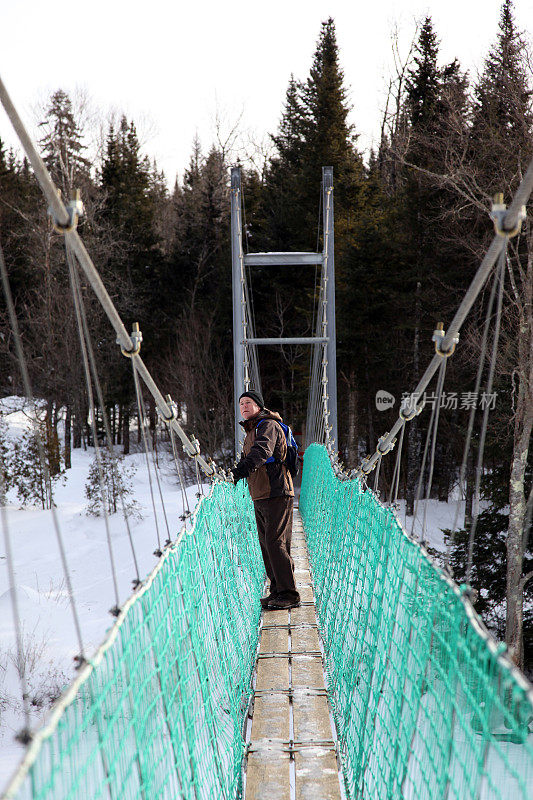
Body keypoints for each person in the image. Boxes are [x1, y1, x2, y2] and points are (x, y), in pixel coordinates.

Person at [231, 389, 300, 610]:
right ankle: (277, 591)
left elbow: (262, 451)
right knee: (267, 544)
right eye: (241, 403)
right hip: (260, 494)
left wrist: (242, 468)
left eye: (248, 402)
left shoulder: (267, 425)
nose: (244, 406)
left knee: (275, 542)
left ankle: (289, 594)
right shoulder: (251, 429)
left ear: (259, 406)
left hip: (277, 491)